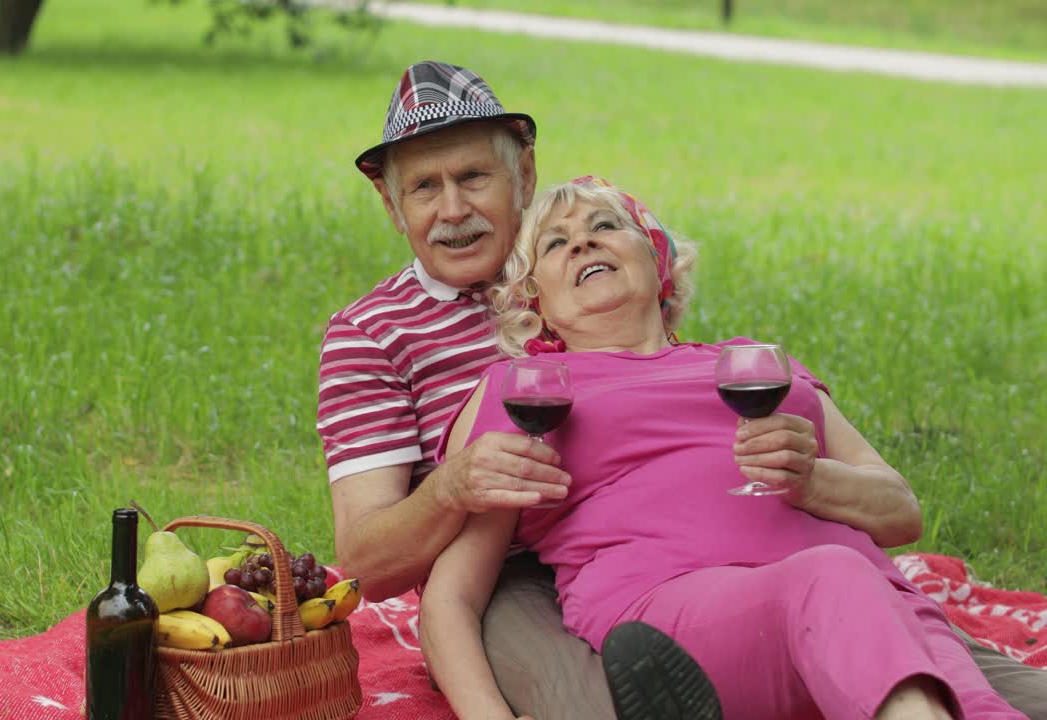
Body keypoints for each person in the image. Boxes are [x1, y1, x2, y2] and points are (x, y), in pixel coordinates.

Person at [318, 60, 1047, 719]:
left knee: (964, 672)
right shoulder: (425, 353)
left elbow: (894, 507)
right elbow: (381, 565)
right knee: (594, 700)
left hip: (822, 577)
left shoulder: (732, 360)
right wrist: (453, 489)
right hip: (553, 576)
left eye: (473, 178)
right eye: (423, 188)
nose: (451, 209)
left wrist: (805, 475)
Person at [419, 175, 1033, 719]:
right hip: (680, 621)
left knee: (975, 703)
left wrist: (814, 480)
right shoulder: (532, 392)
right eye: (556, 243)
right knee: (834, 579)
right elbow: (454, 595)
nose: (583, 242)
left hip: (878, 607)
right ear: (537, 302)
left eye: (606, 225)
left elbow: (902, 512)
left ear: (658, 261)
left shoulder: (754, 366)